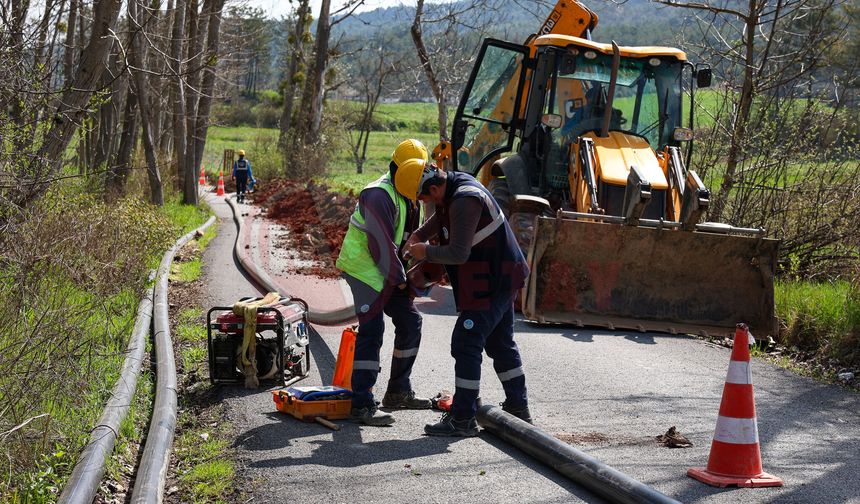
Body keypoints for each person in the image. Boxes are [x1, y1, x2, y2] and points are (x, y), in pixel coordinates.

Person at [394, 158, 532, 437]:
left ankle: (463, 418)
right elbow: (439, 221)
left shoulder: (465, 200)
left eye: (422, 197)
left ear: (432, 189)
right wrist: (418, 237)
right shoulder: (453, 186)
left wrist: (424, 252)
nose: (424, 203)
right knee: (500, 342)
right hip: (497, 274)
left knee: (466, 342)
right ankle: (518, 409)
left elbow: (458, 253)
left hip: (492, 280)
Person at [335, 139, 434, 426]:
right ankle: (362, 403)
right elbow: (381, 248)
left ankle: (398, 391)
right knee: (372, 328)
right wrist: (402, 282)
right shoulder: (378, 195)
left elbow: (406, 240)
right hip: (365, 270)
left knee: (410, 322)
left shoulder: (409, 192)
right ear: (398, 168)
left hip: (388, 270)